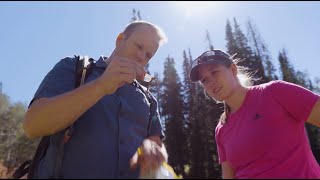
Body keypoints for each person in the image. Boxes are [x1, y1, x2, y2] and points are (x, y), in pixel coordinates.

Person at [23, 21, 169, 178]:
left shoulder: (149, 99)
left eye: (148, 55)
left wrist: (150, 149)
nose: (141, 57)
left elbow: (155, 144)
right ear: (120, 39)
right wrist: (101, 86)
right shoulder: (75, 68)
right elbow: (33, 124)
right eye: (139, 46)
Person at [189, 49, 320, 179]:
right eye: (204, 80)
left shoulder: (275, 92)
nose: (211, 82)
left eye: (215, 72)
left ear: (233, 70)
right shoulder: (221, 129)